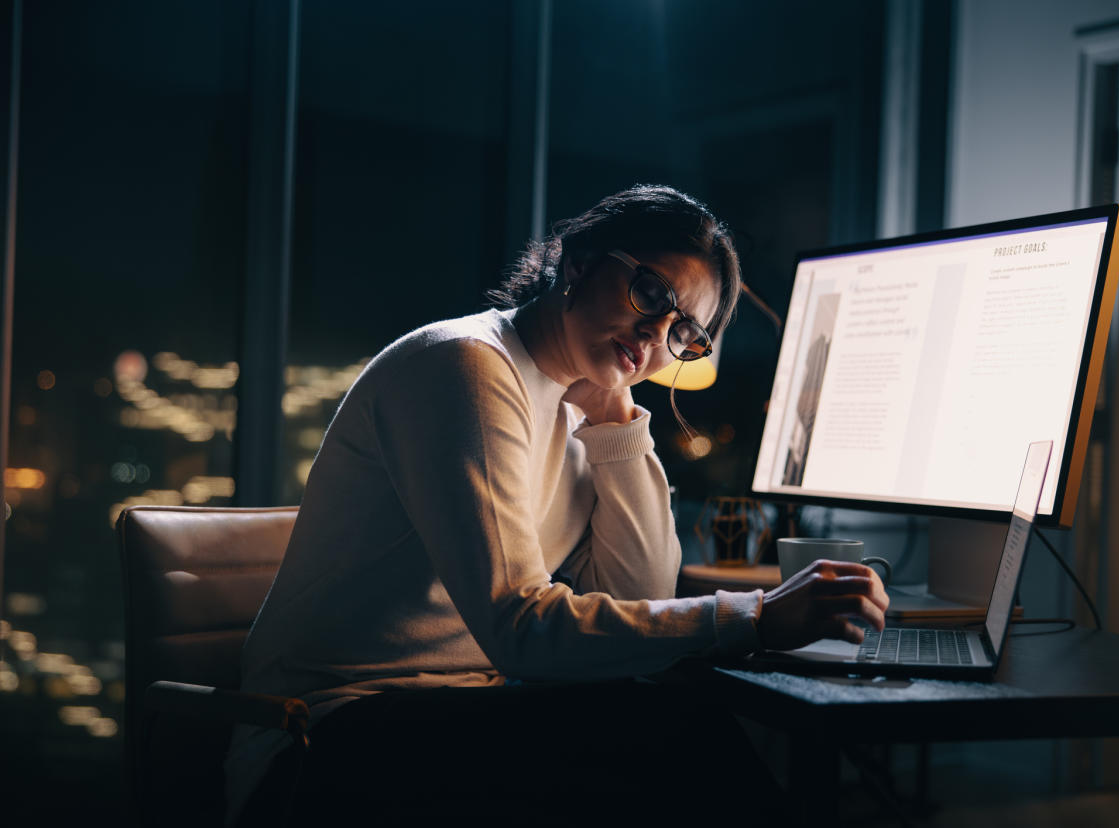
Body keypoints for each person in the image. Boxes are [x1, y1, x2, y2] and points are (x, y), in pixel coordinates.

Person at [226, 184, 888, 825]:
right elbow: (519, 628)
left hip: (463, 719)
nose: (658, 333)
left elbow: (635, 598)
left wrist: (616, 428)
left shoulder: (585, 402)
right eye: (650, 293)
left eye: (684, 333)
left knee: (668, 728)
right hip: (324, 742)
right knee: (673, 736)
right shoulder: (465, 366)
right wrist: (759, 616)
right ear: (578, 261)